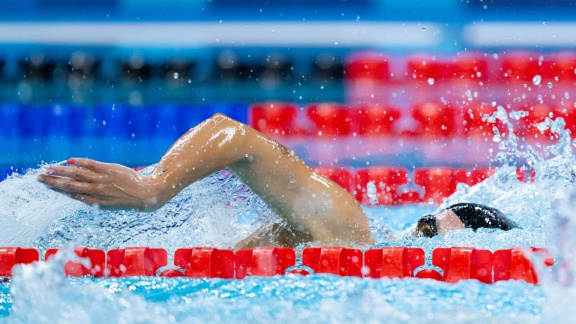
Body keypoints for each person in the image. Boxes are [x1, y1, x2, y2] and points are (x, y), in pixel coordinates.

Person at [36, 113, 517, 249]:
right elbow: (232, 134)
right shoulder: (350, 231)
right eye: (426, 229)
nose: (416, 241)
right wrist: (153, 186)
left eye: (428, 234)